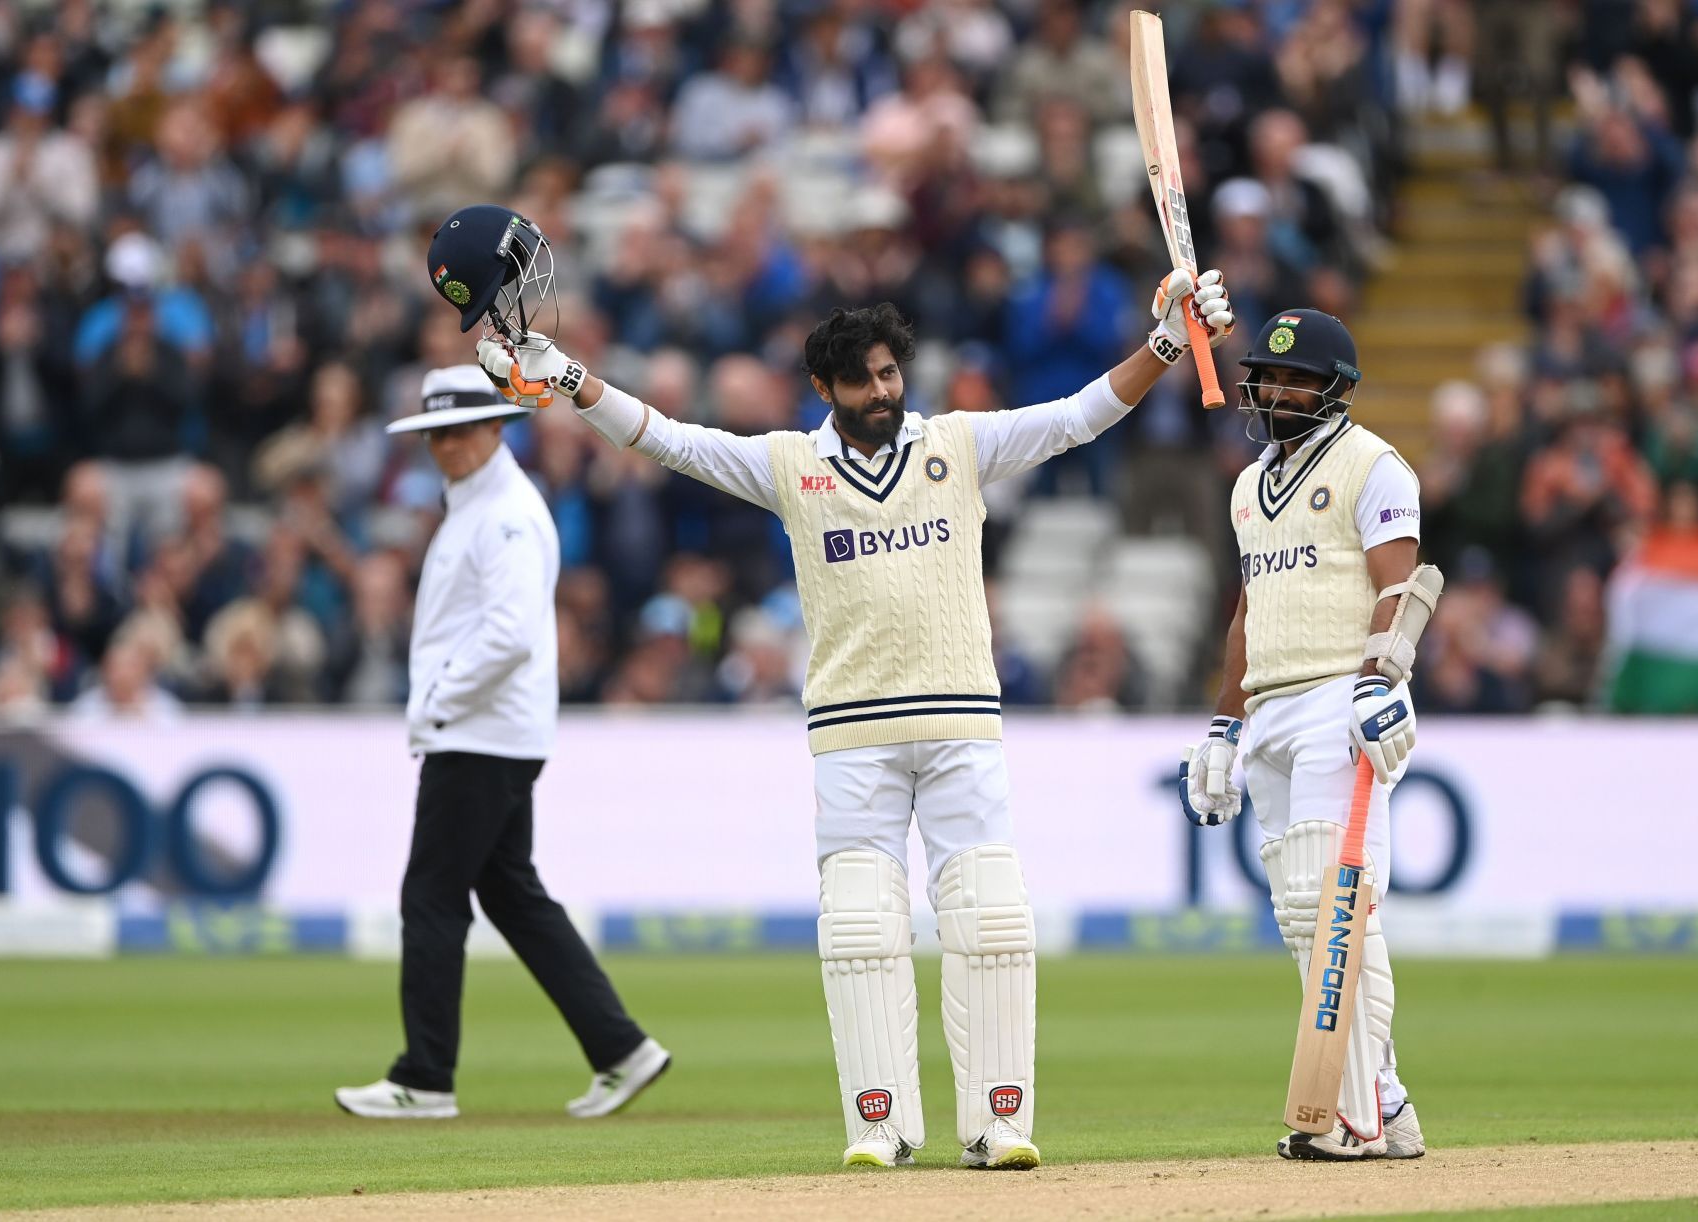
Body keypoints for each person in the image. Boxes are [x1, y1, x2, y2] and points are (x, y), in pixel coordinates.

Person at [437, 203, 1234, 1169]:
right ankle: (880, 1128)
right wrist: (569, 379)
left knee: (989, 912)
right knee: (860, 928)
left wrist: (1163, 339)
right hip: (851, 735)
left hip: (960, 722)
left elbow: (1077, 417)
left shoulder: (960, 447)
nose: (882, 391)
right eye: (861, 380)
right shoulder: (788, 467)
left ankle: (999, 1122)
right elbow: (670, 439)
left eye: (891, 374)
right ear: (826, 388)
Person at [334, 364, 668, 1121]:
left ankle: (424, 1077)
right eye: (435, 434)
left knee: (432, 897)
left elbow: (511, 636)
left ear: (494, 427)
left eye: (458, 430)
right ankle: (620, 1048)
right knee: (511, 894)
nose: (445, 447)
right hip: (488, 730)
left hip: (480, 733)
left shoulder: (506, 514)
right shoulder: (481, 506)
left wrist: (439, 703)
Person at [1179, 309, 1437, 1161]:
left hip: (1340, 699)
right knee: (1304, 919)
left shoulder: (1374, 465)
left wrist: (1380, 683)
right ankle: (1387, 1102)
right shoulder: (1248, 485)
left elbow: (1400, 586)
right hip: (1271, 707)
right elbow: (1248, 609)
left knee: (1339, 911)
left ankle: (1353, 1116)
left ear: (1336, 387)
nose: (1278, 389)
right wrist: (1224, 722)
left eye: (1297, 377)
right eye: (1269, 375)